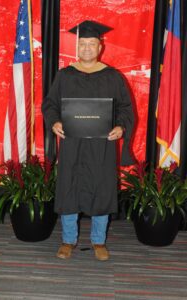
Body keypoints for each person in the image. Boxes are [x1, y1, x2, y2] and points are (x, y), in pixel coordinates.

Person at [42, 20, 134, 261]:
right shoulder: (64, 75)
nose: (86, 48)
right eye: (82, 44)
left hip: (102, 145)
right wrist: (55, 122)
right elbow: (50, 105)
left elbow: (125, 108)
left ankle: (98, 241)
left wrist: (120, 127)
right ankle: (68, 240)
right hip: (72, 144)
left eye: (91, 44)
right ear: (77, 46)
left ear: (100, 46)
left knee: (101, 190)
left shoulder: (113, 77)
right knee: (69, 190)